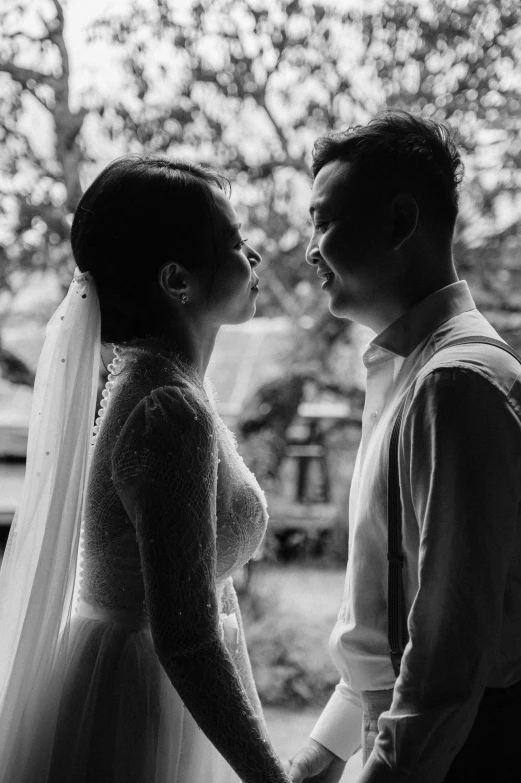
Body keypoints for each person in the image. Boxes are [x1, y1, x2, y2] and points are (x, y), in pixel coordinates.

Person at [0, 155, 291, 783]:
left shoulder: (168, 386)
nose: (253, 260)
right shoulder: (169, 411)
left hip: (157, 689)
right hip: (143, 705)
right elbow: (185, 639)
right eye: (236, 243)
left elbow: (198, 570)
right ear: (176, 280)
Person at [287, 112, 521, 782]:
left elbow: (450, 649)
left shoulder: (456, 385)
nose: (308, 249)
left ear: (397, 223)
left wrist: (381, 772)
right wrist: (330, 743)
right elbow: (393, 595)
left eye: (322, 220)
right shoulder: (407, 371)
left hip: (460, 751)